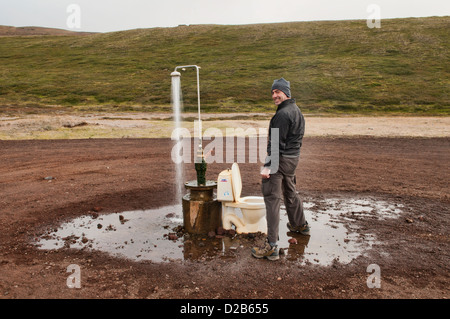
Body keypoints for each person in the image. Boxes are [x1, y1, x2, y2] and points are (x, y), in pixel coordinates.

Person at [251, 78, 310, 261]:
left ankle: (271, 246)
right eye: (273, 92)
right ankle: (300, 225)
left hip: (281, 160)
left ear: (286, 93)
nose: (274, 95)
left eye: (278, 92)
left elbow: (275, 144)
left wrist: (269, 166)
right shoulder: (297, 111)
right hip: (293, 159)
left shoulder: (282, 115)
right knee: (290, 191)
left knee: (272, 198)